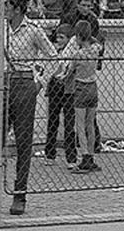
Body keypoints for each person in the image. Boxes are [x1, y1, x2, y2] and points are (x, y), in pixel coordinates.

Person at [0, 0, 57, 217]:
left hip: (24, 82)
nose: (5, 9)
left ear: (18, 8)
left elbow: (53, 56)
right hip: (3, 83)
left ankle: (20, 194)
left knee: (23, 141)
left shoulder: (33, 30)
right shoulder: (1, 28)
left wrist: (40, 81)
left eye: (8, 5)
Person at [67, 18, 104, 173]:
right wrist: (90, 38)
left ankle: (84, 156)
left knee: (80, 125)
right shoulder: (96, 48)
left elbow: (69, 71)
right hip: (93, 86)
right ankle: (92, 155)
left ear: (78, 36)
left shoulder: (78, 54)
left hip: (81, 87)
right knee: (90, 124)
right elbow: (99, 44)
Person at [43, 24, 78, 168]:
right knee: (52, 121)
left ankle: (71, 157)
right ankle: (50, 153)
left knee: (69, 124)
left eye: (62, 37)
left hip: (68, 88)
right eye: (57, 37)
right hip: (55, 87)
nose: (59, 40)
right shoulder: (53, 51)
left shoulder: (72, 52)